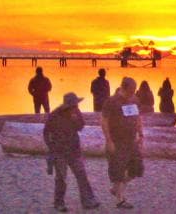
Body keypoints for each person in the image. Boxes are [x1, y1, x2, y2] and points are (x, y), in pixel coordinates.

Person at [43, 92, 100, 212]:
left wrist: (76, 120)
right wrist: (51, 147)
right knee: (61, 178)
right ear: (69, 106)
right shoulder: (55, 115)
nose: (77, 107)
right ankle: (59, 203)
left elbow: (81, 127)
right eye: (75, 105)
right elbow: (46, 132)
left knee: (81, 175)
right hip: (59, 152)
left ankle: (88, 200)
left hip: (74, 150)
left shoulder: (76, 112)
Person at [101, 77, 144, 209]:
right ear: (124, 88)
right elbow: (104, 121)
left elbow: (137, 118)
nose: (133, 93)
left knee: (136, 168)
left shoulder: (134, 100)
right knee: (118, 169)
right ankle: (120, 199)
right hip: (117, 141)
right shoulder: (111, 101)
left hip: (132, 140)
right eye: (131, 90)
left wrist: (141, 134)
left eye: (134, 90)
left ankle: (116, 189)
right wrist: (109, 141)